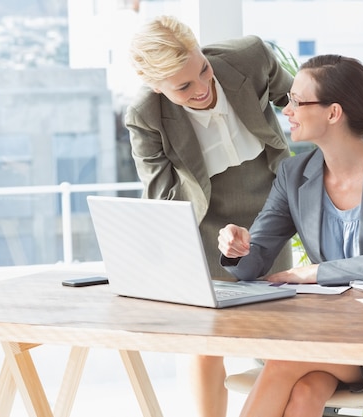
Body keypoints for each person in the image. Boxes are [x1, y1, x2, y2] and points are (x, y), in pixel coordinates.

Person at [217, 54, 363, 417]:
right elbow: (253, 263)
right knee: (305, 393)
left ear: (334, 113)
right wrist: (236, 247)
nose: (287, 110)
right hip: (328, 331)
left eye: (297, 101)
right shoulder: (294, 174)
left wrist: (315, 271)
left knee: (284, 363)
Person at [125, 15, 295, 417]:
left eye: (203, 69)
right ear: (155, 84)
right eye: (183, 86)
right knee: (206, 343)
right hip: (203, 223)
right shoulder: (145, 115)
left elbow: (302, 99)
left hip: (268, 210)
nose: (203, 89)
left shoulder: (249, 57)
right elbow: (162, 195)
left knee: (275, 336)